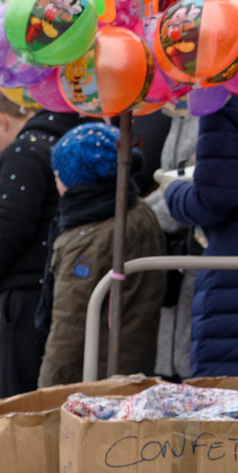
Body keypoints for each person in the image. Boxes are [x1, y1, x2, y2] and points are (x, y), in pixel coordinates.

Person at [39, 122, 168, 385]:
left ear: (78, 180)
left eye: (59, 172)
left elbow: (70, 324)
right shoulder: (137, 211)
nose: (55, 178)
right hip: (133, 360)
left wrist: (47, 386)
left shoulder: (90, 238)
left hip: (93, 374)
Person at [0, 89, 82, 396]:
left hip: (24, 287)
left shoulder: (23, 152)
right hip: (55, 277)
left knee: (18, 389)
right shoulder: (61, 139)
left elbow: (11, 224)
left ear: (1, 120)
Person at [165, 96, 238, 376]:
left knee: (231, 408)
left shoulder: (228, 92)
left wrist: (173, 192)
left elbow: (214, 201)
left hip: (237, 282)